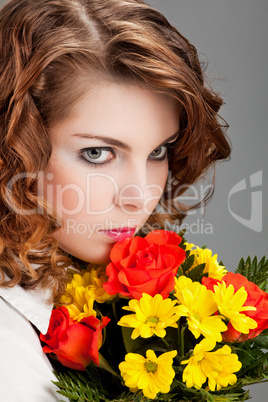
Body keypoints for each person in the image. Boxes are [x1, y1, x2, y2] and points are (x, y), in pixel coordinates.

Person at [0, 0, 231, 400]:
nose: (140, 196)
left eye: (158, 151)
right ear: (12, 146)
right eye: (97, 153)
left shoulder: (87, 290)